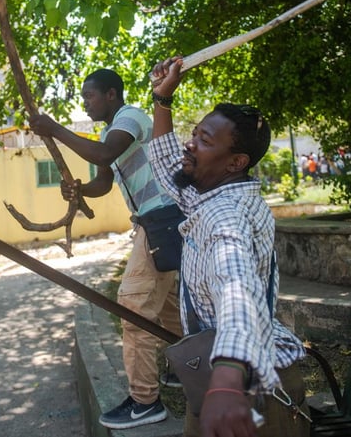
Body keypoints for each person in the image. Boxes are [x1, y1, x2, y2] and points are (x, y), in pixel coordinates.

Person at [147, 56, 310, 437]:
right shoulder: (208, 191)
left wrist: (226, 378)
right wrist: (162, 99)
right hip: (223, 386)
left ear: (236, 161)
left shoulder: (226, 216)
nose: (190, 143)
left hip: (251, 397)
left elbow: (237, 286)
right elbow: (166, 162)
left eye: (205, 140)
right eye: (195, 132)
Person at [29, 68, 183, 430]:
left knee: (134, 307)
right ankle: (184, 369)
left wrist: (55, 130)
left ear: (112, 95)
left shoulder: (130, 117)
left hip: (160, 218)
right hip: (155, 221)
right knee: (172, 305)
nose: (86, 102)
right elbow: (103, 180)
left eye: (90, 96)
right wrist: (80, 190)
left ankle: (145, 402)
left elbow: (103, 154)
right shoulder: (111, 131)